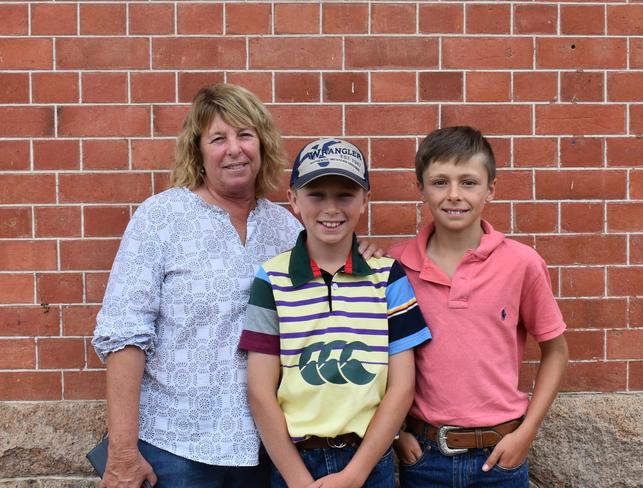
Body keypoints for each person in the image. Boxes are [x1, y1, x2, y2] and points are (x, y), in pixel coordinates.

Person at [92, 85, 379, 488]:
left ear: (262, 143)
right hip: (177, 446)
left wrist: (359, 250)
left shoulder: (286, 228)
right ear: (198, 151)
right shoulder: (161, 219)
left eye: (245, 135)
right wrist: (123, 451)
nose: (234, 149)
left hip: (268, 447)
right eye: (218, 138)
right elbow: (124, 335)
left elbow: (328, 290)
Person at [240, 138, 432, 488]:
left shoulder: (388, 277)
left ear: (364, 201)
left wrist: (357, 473)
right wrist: (297, 479)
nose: (331, 208)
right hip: (294, 461)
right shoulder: (271, 278)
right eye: (316, 195)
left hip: (370, 461)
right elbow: (259, 391)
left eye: (345, 195)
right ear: (293, 200)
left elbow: (402, 386)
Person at [389, 126, 569, 488]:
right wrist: (395, 435)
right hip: (423, 456)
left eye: (468, 182)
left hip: (499, 456)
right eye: (440, 182)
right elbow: (378, 357)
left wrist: (526, 433)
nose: (454, 195)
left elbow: (556, 352)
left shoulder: (522, 264)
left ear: (490, 188)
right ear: (420, 188)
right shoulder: (396, 266)